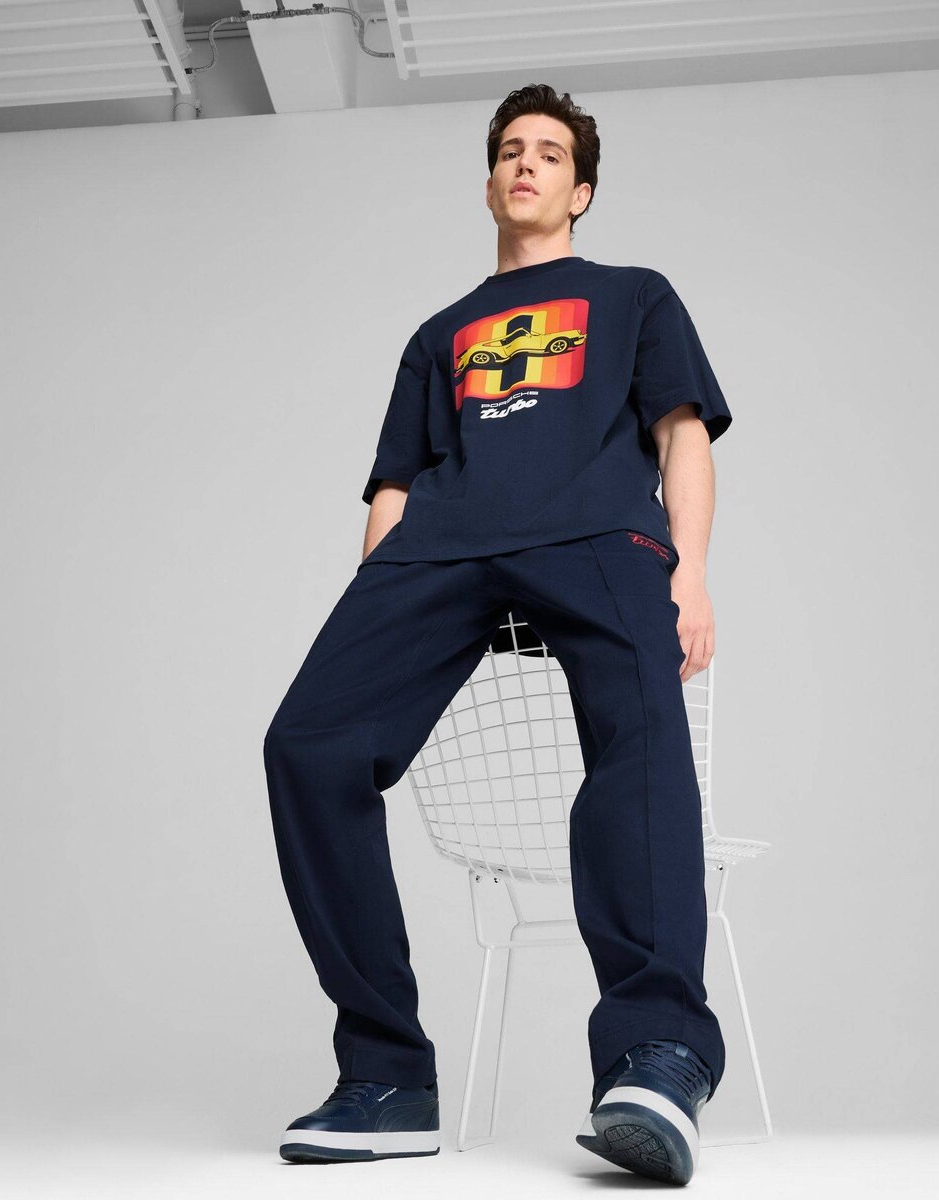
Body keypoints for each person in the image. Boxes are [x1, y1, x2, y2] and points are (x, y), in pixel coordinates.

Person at [263, 83, 733, 1186]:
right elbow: (394, 482)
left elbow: (683, 433)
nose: (526, 164)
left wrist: (692, 571)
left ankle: (657, 1057)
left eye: (550, 153)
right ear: (489, 185)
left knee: (641, 741)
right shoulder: (439, 335)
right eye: (510, 150)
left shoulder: (634, 294)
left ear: (582, 190)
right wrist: (376, 602)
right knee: (308, 745)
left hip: (600, 533)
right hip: (443, 545)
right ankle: (387, 1077)